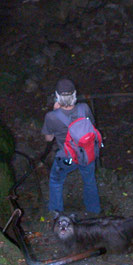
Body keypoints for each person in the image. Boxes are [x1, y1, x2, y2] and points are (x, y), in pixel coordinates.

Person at [42, 77, 101, 217]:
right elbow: (92, 125)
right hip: (87, 153)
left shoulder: (51, 117)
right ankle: (94, 212)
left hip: (67, 157)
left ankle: (56, 213)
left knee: (56, 181)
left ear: (57, 96)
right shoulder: (84, 108)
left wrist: (55, 111)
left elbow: (48, 138)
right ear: (74, 95)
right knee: (89, 180)